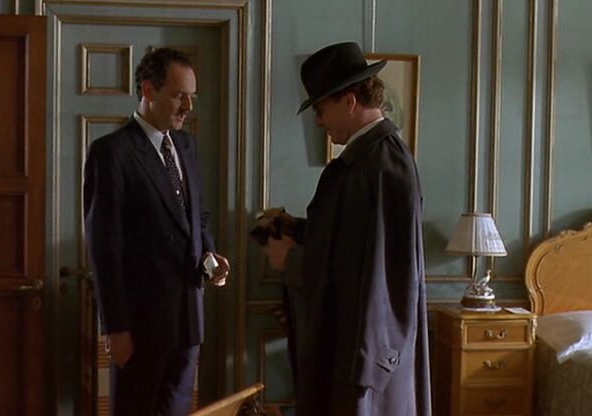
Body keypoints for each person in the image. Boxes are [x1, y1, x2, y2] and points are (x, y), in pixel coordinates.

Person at [263, 41, 432, 415]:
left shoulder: (385, 164)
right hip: (351, 345)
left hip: (363, 355)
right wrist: (298, 229)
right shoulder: (366, 160)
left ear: (349, 101)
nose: (318, 121)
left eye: (321, 109)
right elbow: (352, 237)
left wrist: (292, 261)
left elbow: (384, 272)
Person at [83, 47, 230, 416]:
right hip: (139, 327)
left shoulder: (186, 145)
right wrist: (116, 328)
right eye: (179, 96)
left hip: (188, 321)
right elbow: (104, 247)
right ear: (148, 90)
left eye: (192, 96)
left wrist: (210, 256)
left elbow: (196, 217)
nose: (188, 107)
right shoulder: (112, 152)